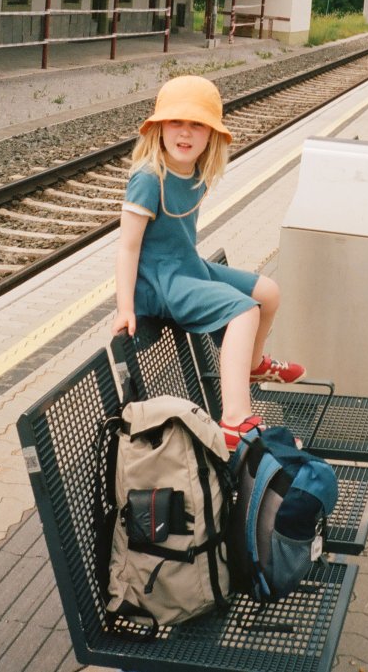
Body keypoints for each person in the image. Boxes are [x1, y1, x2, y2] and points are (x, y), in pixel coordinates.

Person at [112, 74, 305, 450]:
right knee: (244, 311)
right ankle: (234, 422)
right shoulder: (150, 179)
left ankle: (251, 364)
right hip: (159, 282)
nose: (185, 134)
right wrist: (124, 306)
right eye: (176, 122)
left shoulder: (197, 171)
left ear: (211, 134)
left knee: (268, 291)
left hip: (187, 267)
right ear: (159, 129)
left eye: (197, 125)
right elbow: (127, 247)